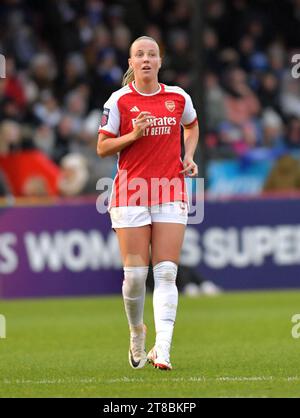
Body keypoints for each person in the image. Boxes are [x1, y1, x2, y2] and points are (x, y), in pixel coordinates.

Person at [97, 36, 198, 370]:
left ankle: (163, 348)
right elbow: (102, 147)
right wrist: (133, 136)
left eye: (151, 54)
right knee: (136, 276)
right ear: (130, 63)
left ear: (159, 61)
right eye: (139, 55)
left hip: (170, 188)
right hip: (131, 193)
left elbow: (192, 124)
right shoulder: (120, 101)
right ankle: (136, 331)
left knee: (167, 272)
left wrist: (189, 156)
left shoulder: (177, 97)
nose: (145, 59)